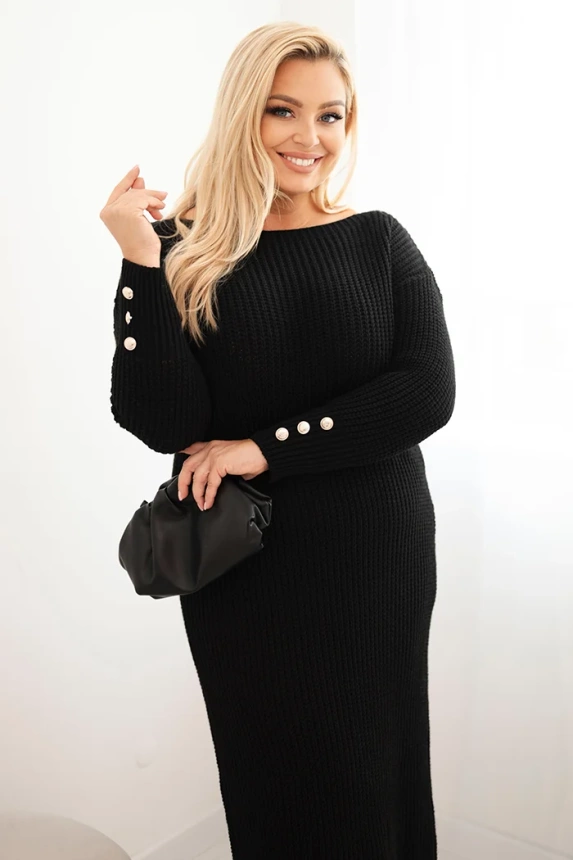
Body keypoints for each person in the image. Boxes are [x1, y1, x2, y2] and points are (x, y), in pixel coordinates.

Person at [100, 21, 456, 860]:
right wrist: (140, 264)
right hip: (243, 569)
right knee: (272, 783)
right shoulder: (183, 251)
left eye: (330, 115)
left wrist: (262, 447)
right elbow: (163, 423)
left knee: (374, 781)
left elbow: (425, 392)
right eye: (283, 110)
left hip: (373, 552)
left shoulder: (378, 241)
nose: (310, 137)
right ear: (242, 114)